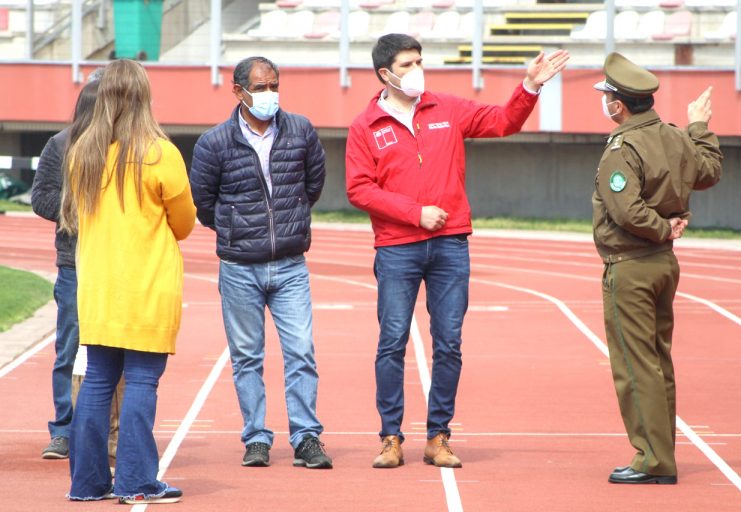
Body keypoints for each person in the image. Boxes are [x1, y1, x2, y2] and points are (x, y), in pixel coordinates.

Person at [345, 34, 569, 469]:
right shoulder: (364, 126)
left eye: (419, 61)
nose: (416, 70)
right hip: (397, 249)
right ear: (384, 74)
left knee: (449, 344)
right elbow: (358, 189)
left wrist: (530, 87)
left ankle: (438, 435)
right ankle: (391, 437)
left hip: (450, 245)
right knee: (391, 343)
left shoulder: (446, 108)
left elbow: (504, 122)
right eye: (407, 64)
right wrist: (414, 213)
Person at [60, 59, 196, 504]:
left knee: (98, 381)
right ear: (144, 97)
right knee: (141, 382)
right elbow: (184, 222)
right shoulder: (160, 152)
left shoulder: (82, 152)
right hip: (147, 286)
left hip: (98, 288)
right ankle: (136, 480)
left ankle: (86, 482)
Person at [190, 56, 331, 469]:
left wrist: (287, 224)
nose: (270, 94)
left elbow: (313, 184)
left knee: (301, 351)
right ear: (238, 92)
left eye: (274, 85)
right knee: (247, 357)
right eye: (261, 87)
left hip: (289, 264)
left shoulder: (301, 129)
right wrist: (238, 232)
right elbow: (204, 204)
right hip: (238, 268)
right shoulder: (214, 143)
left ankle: (306, 437)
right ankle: (256, 437)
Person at [591, 52, 723, 484]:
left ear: (619, 104)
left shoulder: (621, 148)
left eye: (609, 96)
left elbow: (626, 211)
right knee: (658, 361)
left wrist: (662, 228)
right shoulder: (674, 136)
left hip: (631, 265)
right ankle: (660, 455)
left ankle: (651, 459)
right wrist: (699, 127)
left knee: (634, 366)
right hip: (664, 266)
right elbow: (708, 172)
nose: (607, 102)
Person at [32, 72, 125, 463]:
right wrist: (78, 213)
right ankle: (64, 430)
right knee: (70, 347)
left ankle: (112, 432)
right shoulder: (60, 144)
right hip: (75, 264)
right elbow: (41, 198)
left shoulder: (125, 147)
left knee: (118, 348)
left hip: (120, 265)